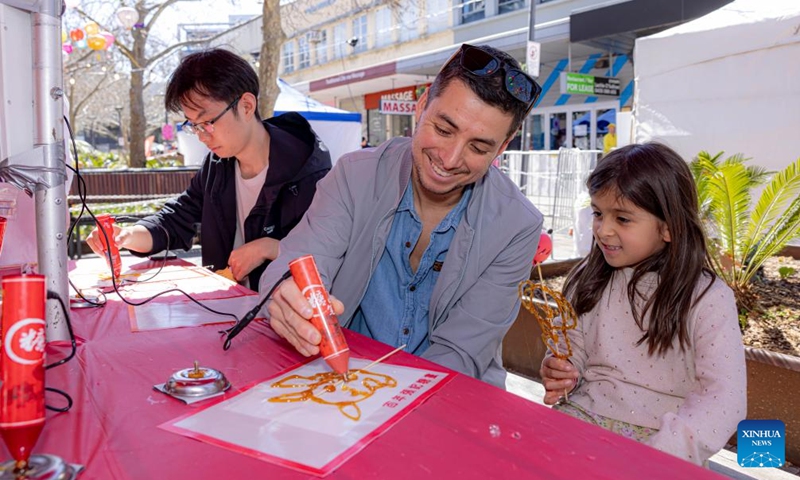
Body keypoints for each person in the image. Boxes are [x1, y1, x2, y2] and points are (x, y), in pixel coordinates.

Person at [260, 43, 544, 388]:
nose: (451, 158)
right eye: (443, 129)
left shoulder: (518, 225)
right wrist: (289, 299)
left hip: (452, 396)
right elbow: (296, 263)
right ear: (422, 106)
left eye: (479, 147)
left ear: (502, 147)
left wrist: (384, 399)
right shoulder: (354, 175)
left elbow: (463, 351)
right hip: (342, 382)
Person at [540, 143, 746, 465]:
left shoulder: (708, 298)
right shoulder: (588, 276)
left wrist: (663, 453)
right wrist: (562, 369)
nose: (602, 230)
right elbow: (572, 343)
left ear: (668, 227)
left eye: (622, 218)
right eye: (597, 213)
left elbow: (724, 396)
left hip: (664, 447)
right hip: (580, 419)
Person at [86, 49, 331, 290]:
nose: (202, 136)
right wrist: (127, 235)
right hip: (228, 307)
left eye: (208, 123)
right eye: (194, 126)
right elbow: (176, 219)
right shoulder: (218, 165)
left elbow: (329, 249)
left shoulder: (308, 171)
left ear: (246, 106)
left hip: (287, 316)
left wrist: (269, 247)